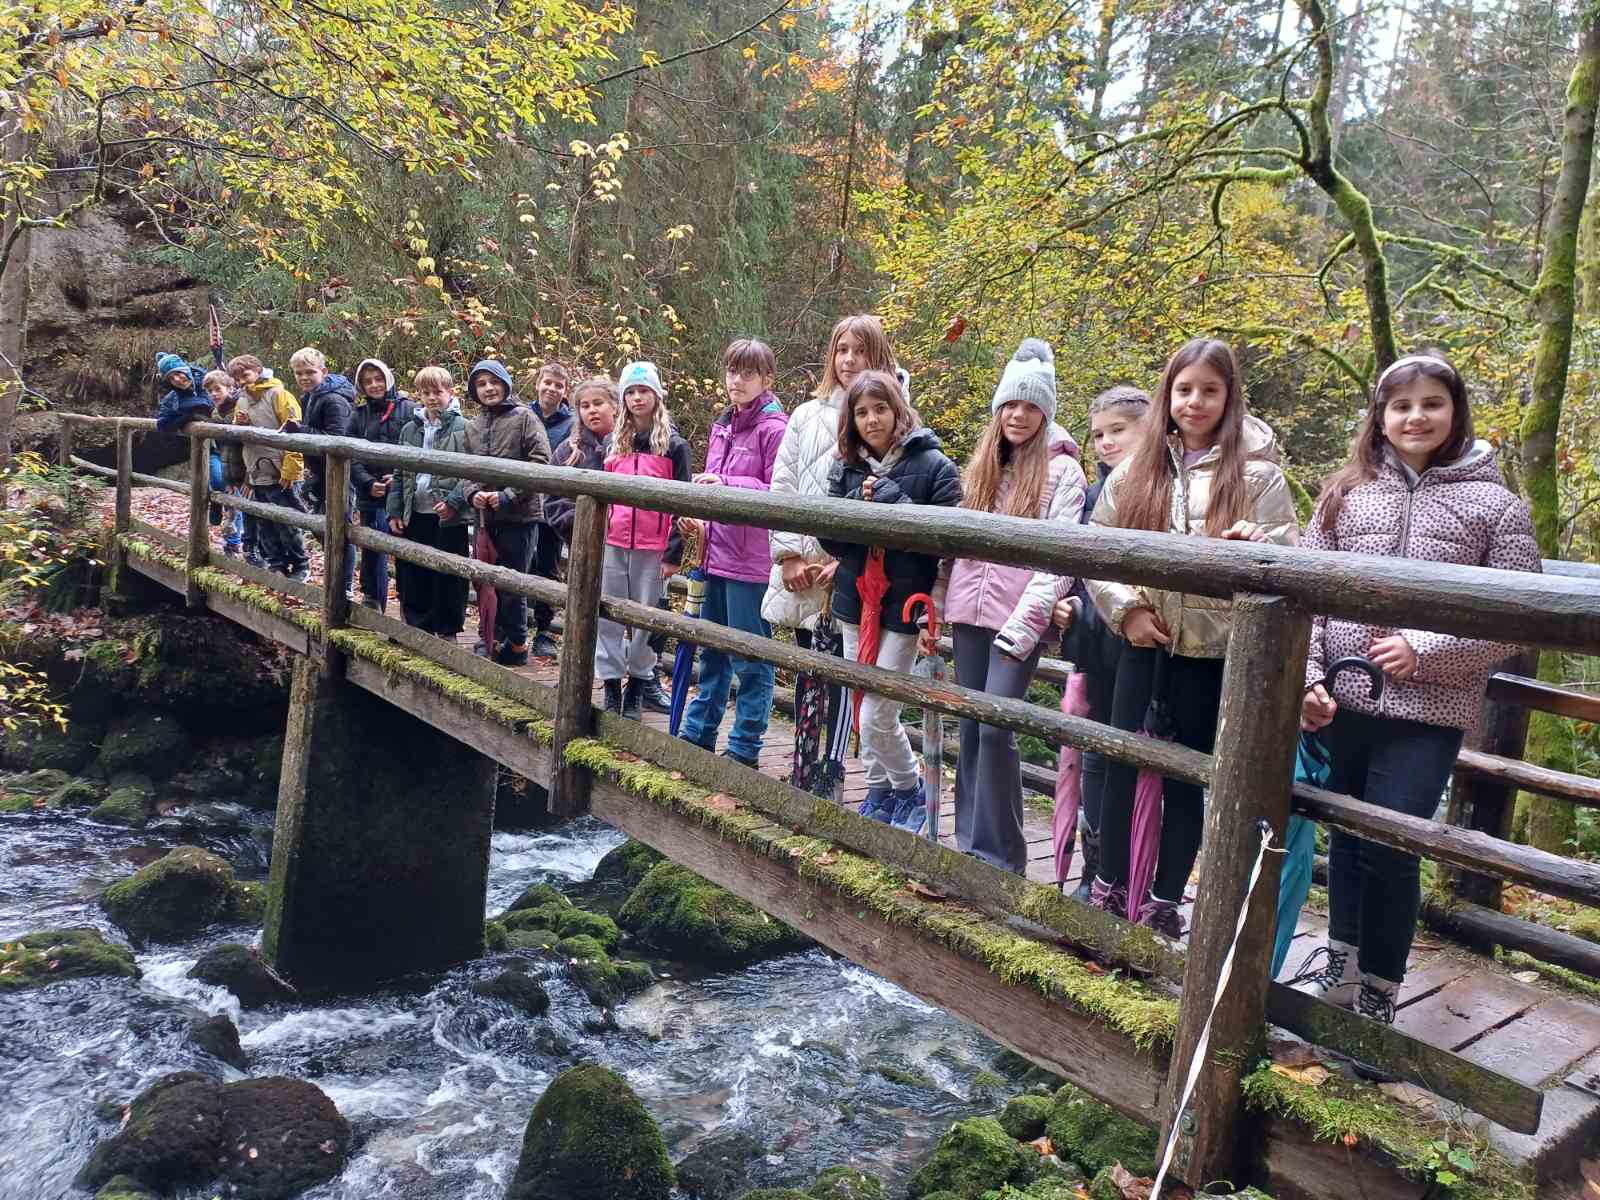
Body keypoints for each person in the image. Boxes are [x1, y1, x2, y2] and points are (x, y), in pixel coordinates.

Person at [1294, 352, 1539, 1022]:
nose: (1416, 417)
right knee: (1346, 837)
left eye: (1432, 403)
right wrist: (1308, 680)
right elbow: (1304, 595)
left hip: (1428, 712)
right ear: (1380, 417)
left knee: (1392, 845)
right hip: (1343, 699)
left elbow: (1518, 619)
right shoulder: (1344, 492)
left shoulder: (1497, 506)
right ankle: (1341, 967)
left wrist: (1424, 651)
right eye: (1401, 405)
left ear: (1456, 411)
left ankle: (1380, 989)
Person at [1085, 338, 1298, 934]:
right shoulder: (1134, 472)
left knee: (1187, 778)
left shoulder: (1258, 477)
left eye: (1209, 390)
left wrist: (1258, 547)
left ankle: (1164, 898)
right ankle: (1108, 884)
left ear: (1230, 397)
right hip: (1142, 641)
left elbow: (1288, 555)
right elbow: (1096, 550)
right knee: (1121, 765)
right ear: (1167, 395)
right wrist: (1126, 610)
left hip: (1212, 651)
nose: (1195, 402)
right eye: (1184, 390)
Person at [928, 338, 1087, 874]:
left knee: (997, 728)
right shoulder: (984, 465)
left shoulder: (1064, 472)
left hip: (1019, 620)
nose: (1018, 415)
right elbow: (955, 546)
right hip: (968, 612)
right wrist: (938, 604)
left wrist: (1028, 623)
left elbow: (1060, 559)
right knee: (972, 726)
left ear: (1046, 411)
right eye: (1010, 405)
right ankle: (971, 844)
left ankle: (1002, 856)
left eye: (1030, 405)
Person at [764, 317, 911, 776]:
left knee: (846, 676)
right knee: (807, 665)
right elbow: (783, 485)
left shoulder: (890, 421)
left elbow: (897, 500)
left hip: (854, 574)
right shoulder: (806, 416)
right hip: (805, 565)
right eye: (841, 349)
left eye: (860, 350)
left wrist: (847, 562)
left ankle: (833, 769)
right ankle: (803, 765)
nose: (849, 360)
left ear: (877, 356)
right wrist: (788, 554)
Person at [818, 370, 960, 832]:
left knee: (879, 710)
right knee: (862, 701)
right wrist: (855, 509)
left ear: (898, 410)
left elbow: (944, 542)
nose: (872, 420)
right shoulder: (845, 467)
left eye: (880, 409)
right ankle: (879, 791)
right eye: (862, 412)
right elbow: (832, 542)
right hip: (856, 599)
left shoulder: (935, 466)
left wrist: (894, 502)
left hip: (903, 605)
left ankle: (909, 787)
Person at [1050, 385, 1151, 900]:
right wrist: (1068, 605)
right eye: (1098, 435)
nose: (1106, 442)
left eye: (1118, 431)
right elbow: (1080, 566)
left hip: (1145, 652)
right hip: (1096, 646)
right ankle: (1095, 875)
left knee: (1134, 763)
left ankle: (1127, 878)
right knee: (1094, 756)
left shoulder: (1162, 493)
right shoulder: (1093, 494)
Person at [676, 338, 788, 767]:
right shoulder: (722, 425)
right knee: (711, 651)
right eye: (732, 371)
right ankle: (699, 732)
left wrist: (727, 486)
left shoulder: (775, 429)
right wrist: (699, 520)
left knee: (750, 657)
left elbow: (780, 492)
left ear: (767, 379)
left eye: (748, 373)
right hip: (714, 555)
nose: (737, 380)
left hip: (750, 563)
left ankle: (744, 746)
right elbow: (711, 487)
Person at [594, 362, 691, 718]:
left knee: (647, 619)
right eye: (631, 392)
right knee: (607, 614)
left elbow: (683, 502)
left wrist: (673, 552)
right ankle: (610, 685)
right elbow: (599, 495)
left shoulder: (674, 446)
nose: (637, 398)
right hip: (613, 542)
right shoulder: (612, 443)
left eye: (644, 391)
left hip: (653, 547)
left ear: (657, 395)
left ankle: (637, 685)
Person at [462, 359, 552, 666]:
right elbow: (465, 468)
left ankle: (516, 643)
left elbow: (541, 460)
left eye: (494, 382)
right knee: (486, 579)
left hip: (520, 515)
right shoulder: (472, 426)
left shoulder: (525, 417)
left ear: (505, 384)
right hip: (485, 518)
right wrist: (472, 494)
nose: (488, 388)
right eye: (481, 384)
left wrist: (508, 495)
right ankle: (492, 638)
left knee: (512, 583)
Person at [387, 366, 471, 637]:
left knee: (449, 572)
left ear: (450, 392)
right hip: (415, 511)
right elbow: (399, 472)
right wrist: (394, 511)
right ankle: (417, 626)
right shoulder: (410, 429)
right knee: (413, 570)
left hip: (447, 516)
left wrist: (453, 502)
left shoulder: (463, 427)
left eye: (437, 392)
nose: (432, 398)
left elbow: (472, 473)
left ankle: (447, 629)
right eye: (426, 393)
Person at [228, 354, 310, 580]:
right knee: (264, 522)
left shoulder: (279, 394)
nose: (242, 381)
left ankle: (300, 565)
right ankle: (276, 564)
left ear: (258, 370)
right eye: (237, 378)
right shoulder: (241, 400)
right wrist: (239, 424)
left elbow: (294, 432)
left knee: (287, 521)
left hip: (279, 469)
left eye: (245, 375)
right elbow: (238, 435)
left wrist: (291, 469)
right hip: (256, 469)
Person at [288, 347, 358, 596]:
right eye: (299, 373)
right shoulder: (309, 397)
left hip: (340, 475)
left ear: (323, 371)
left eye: (310, 372)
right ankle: (335, 579)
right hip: (320, 473)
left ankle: (344, 586)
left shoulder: (333, 400)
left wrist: (300, 430)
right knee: (321, 527)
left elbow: (338, 439)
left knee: (339, 530)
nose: (304, 377)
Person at [350, 358, 416, 612]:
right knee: (372, 545)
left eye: (378, 379)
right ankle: (372, 600)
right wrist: (367, 482)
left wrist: (398, 478)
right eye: (368, 381)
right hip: (371, 493)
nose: (374, 385)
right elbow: (349, 454)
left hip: (403, 493)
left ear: (388, 379)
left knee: (405, 547)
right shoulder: (358, 415)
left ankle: (408, 602)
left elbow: (417, 448)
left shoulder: (408, 409)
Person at [528, 361, 573, 657]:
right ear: (537, 384)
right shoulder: (522, 415)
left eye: (558, 385)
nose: (552, 389)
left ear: (565, 391)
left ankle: (543, 631)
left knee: (547, 567)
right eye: (547, 383)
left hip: (552, 509)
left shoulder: (572, 424)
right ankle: (515, 627)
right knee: (518, 564)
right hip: (520, 504)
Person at [545, 375, 622, 538]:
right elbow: (552, 497)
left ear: (615, 407)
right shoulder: (569, 450)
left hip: (624, 538)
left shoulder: (632, 445)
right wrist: (577, 522)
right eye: (585, 406)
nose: (592, 410)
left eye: (598, 403)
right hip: (580, 538)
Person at [201, 369, 248, 559]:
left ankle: (234, 543)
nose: (213, 394)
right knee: (221, 486)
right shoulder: (215, 410)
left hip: (240, 461)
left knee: (234, 498)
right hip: (221, 456)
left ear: (230, 388)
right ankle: (232, 540)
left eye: (217, 389)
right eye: (210, 391)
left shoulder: (240, 405)